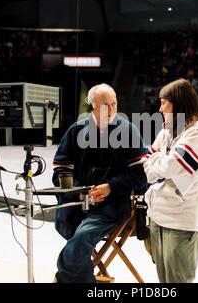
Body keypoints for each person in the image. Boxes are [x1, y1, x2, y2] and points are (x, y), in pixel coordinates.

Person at [52, 83, 148, 283]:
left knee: (79, 240)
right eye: (105, 105)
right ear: (92, 107)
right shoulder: (75, 131)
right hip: (77, 205)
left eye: (114, 104)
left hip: (111, 206)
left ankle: (65, 279)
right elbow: (61, 171)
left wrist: (111, 187)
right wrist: (79, 192)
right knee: (77, 240)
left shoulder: (129, 131)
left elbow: (141, 176)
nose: (112, 110)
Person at [143, 78, 198, 283]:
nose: (160, 109)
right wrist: (160, 163)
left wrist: (159, 162)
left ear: (179, 103)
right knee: (164, 279)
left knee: (178, 280)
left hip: (182, 221)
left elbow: (171, 166)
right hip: (158, 215)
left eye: (164, 103)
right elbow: (147, 165)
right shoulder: (167, 131)